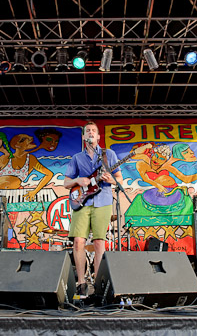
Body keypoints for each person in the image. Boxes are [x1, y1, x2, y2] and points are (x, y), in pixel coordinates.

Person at [63, 122, 123, 298]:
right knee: (78, 242)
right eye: (87, 131)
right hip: (82, 203)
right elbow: (66, 183)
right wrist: (78, 181)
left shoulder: (108, 155)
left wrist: (110, 178)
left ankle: (98, 284)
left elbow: (119, 178)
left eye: (93, 131)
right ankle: (81, 284)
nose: (90, 133)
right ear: (83, 137)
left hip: (102, 202)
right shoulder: (76, 158)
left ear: (98, 137)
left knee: (99, 243)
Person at [0, 133, 53, 201]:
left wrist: (35, 191)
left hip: (16, 194)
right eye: (27, 140)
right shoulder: (5, 158)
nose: (30, 142)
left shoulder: (31, 159)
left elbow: (49, 174)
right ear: (17, 144)